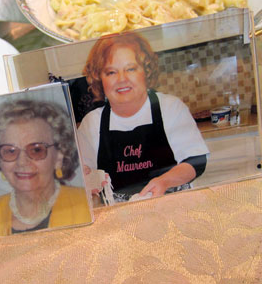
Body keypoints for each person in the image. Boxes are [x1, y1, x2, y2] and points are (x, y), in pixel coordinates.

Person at [77, 32, 208, 203]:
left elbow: (196, 161)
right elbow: (84, 175)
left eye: (130, 69)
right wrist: (87, 184)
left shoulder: (170, 107)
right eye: (111, 72)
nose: (122, 79)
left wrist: (163, 181)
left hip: (173, 207)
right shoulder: (92, 123)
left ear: (145, 71)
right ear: (99, 78)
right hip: (121, 218)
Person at [0, 99, 92, 236]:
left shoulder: (86, 204)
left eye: (36, 150)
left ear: (59, 157)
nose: (22, 162)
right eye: (10, 151)